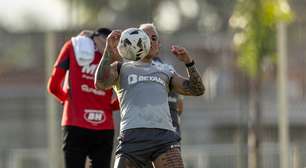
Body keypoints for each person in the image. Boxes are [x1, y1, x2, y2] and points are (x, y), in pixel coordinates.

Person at [94, 23, 205, 168]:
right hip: (132, 139)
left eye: (154, 38)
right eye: (145, 37)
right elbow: (100, 83)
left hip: (164, 139)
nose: (151, 42)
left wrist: (189, 63)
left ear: (158, 45)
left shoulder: (167, 71)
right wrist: (109, 50)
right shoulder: (121, 68)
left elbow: (197, 90)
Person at [47, 28, 120, 168]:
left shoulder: (72, 46)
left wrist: (68, 101)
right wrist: (109, 107)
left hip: (74, 123)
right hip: (104, 126)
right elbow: (125, 98)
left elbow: (53, 86)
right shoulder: (116, 56)